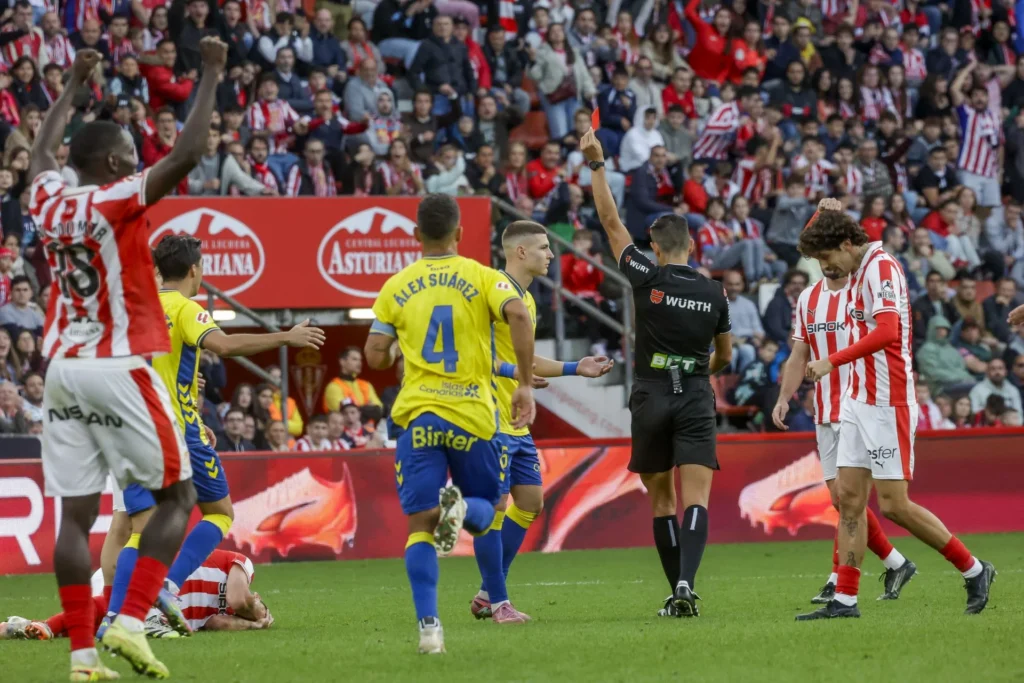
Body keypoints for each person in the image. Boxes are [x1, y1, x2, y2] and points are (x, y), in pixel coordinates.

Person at [26, 41, 228, 681]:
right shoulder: (117, 199)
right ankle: (135, 622)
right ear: (113, 162)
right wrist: (214, 71)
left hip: (61, 369)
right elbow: (189, 153)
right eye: (130, 157)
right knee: (179, 498)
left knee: (77, 516)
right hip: (119, 363)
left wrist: (72, 88)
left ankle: (83, 658)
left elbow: (37, 155)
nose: (137, 163)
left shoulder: (48, 202)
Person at [102, 235, 324, 643]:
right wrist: (285, 337)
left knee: (139, 529)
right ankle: (164, 590)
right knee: (219, 512)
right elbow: (223, 344)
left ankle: (116, 615)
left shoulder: (133, 311)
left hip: (127, 429)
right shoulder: (186, 309)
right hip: (172, 430)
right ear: (193, 271)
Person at [796, 203, 995, 620]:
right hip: (856, 398)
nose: (825, 266)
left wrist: (832, 361)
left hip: (888, 401)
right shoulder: (856, 264)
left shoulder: (881, 268)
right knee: (849, 499)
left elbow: (887, 331)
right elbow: (830, 232)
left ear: (847, 244)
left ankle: (974, 569)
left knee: (894, 506)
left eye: (827, 257)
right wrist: (820, 212)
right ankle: (845, 601)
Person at [363, 194, 536, 653]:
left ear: (416, 236)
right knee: (490, 509)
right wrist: (523, 382)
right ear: (460, 234)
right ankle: (460, 512)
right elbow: (517, 313)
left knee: (420, 526)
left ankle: (430, 630)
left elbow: (374, 354)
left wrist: (399, 348)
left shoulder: (395, 285)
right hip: (473, 416)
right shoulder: (482, 277)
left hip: (419, 415)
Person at [580, 128, 731, 618]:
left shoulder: (648, 277)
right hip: (693, 395)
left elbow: (608, 219)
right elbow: (724, 357)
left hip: (649, 395)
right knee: (698, 500)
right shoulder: (714, 293)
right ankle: (687, 582)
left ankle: (676, 593)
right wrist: (697, 369)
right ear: (691, 244)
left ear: (656, 247)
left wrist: (598, 164)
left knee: (661, 500)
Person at [469, 220, 613, 621]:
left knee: (530, 502)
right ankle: (499, 603)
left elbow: (525, 361)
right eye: (545, 248)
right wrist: (513, 375)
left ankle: (487, 589)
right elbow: (477, 356)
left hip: (517, 422)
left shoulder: (525, 301)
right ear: (520, 252)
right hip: (489, 417)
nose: (552, 255)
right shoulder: (493, 292)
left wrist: (574, 367)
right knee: (495, 508)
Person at [772, 242, 915, 605]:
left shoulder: (862, 289)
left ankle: (840, 578)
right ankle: (895, 562)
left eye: (830, 254)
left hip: (859, 405)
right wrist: (784, 398)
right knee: (842, 501)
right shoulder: (807, 298)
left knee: (851, 499)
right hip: (824, 409)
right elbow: (799, 353)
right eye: (820, 259)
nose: (827, 263)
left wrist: (829, 212)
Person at [1, 549, 273, 640]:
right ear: (256, 594)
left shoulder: (216, 615)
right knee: (108, 606)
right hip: (143, 574)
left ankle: (19, 627)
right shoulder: (242, 566)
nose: (262, 608)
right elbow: (241, 600)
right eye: (263, 604)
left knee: (96, 625)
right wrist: (258, 616)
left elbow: (217, 624)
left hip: (151, 609)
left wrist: (255, 624)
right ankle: (47, 625)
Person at [323, 346, 382, 412]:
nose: (359, 363)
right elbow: (346, 413)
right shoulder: (333, 386)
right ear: (342, 362)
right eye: (354, 359)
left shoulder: (366, 385)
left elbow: (379, 409)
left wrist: (361, 409)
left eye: (360, 360)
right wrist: (368, 409)